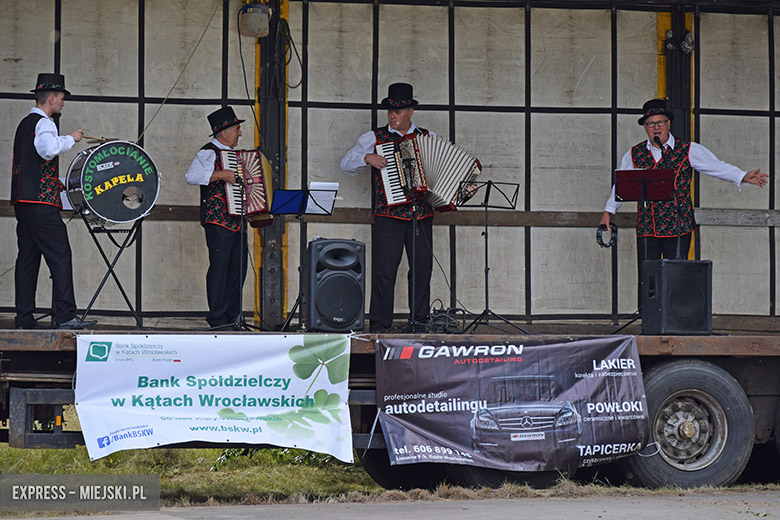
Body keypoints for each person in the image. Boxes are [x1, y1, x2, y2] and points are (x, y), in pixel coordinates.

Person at [599, 98, 768, 306]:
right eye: (651, 124)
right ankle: (648, 317)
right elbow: (621, 184)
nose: (656, 128)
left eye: (660, 122)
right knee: (648, 278)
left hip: (679, 225)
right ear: (645, 127)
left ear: (668, 123)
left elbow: (716, 166)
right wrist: (608, 211)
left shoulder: (688, 149)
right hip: (648, 226)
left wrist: (742, 176)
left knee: (676, 277)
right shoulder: (634, 154)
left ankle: (675, 318)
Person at [340, 83, 436, 332]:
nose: (392, 116)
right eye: (390, 111)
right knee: (384, 271)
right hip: (388, 215)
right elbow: (345, 164)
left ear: (410, 112)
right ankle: (380, 325)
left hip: (421, 215)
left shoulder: (428, 138)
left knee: (422, 270)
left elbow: (443, 170)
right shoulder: (373, 138)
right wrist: (366, 157)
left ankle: (419, 322)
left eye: (398, 112)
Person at [11, 73, 96, 330]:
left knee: (27, 260)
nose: (62, 103)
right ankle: (66, 315)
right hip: (41, 206)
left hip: (24, 203)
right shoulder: (44, 123)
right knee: (60, 256)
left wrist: (52, 181)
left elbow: (32, 163)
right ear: (50, 99)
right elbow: (48, 150)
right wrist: (71, 138)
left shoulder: (25, 124)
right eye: (60, 98)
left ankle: (24, 318)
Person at [185, 106, 249, 329]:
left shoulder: (238, 156)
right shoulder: (208, 152)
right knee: (220, 269)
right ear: (224, 132)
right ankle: (217, 319)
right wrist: (221, 174)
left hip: (238, 220)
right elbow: (191, 176)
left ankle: (233, 316)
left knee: (238, 270)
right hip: (218, 220)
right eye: (237, 129)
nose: (240, 133)